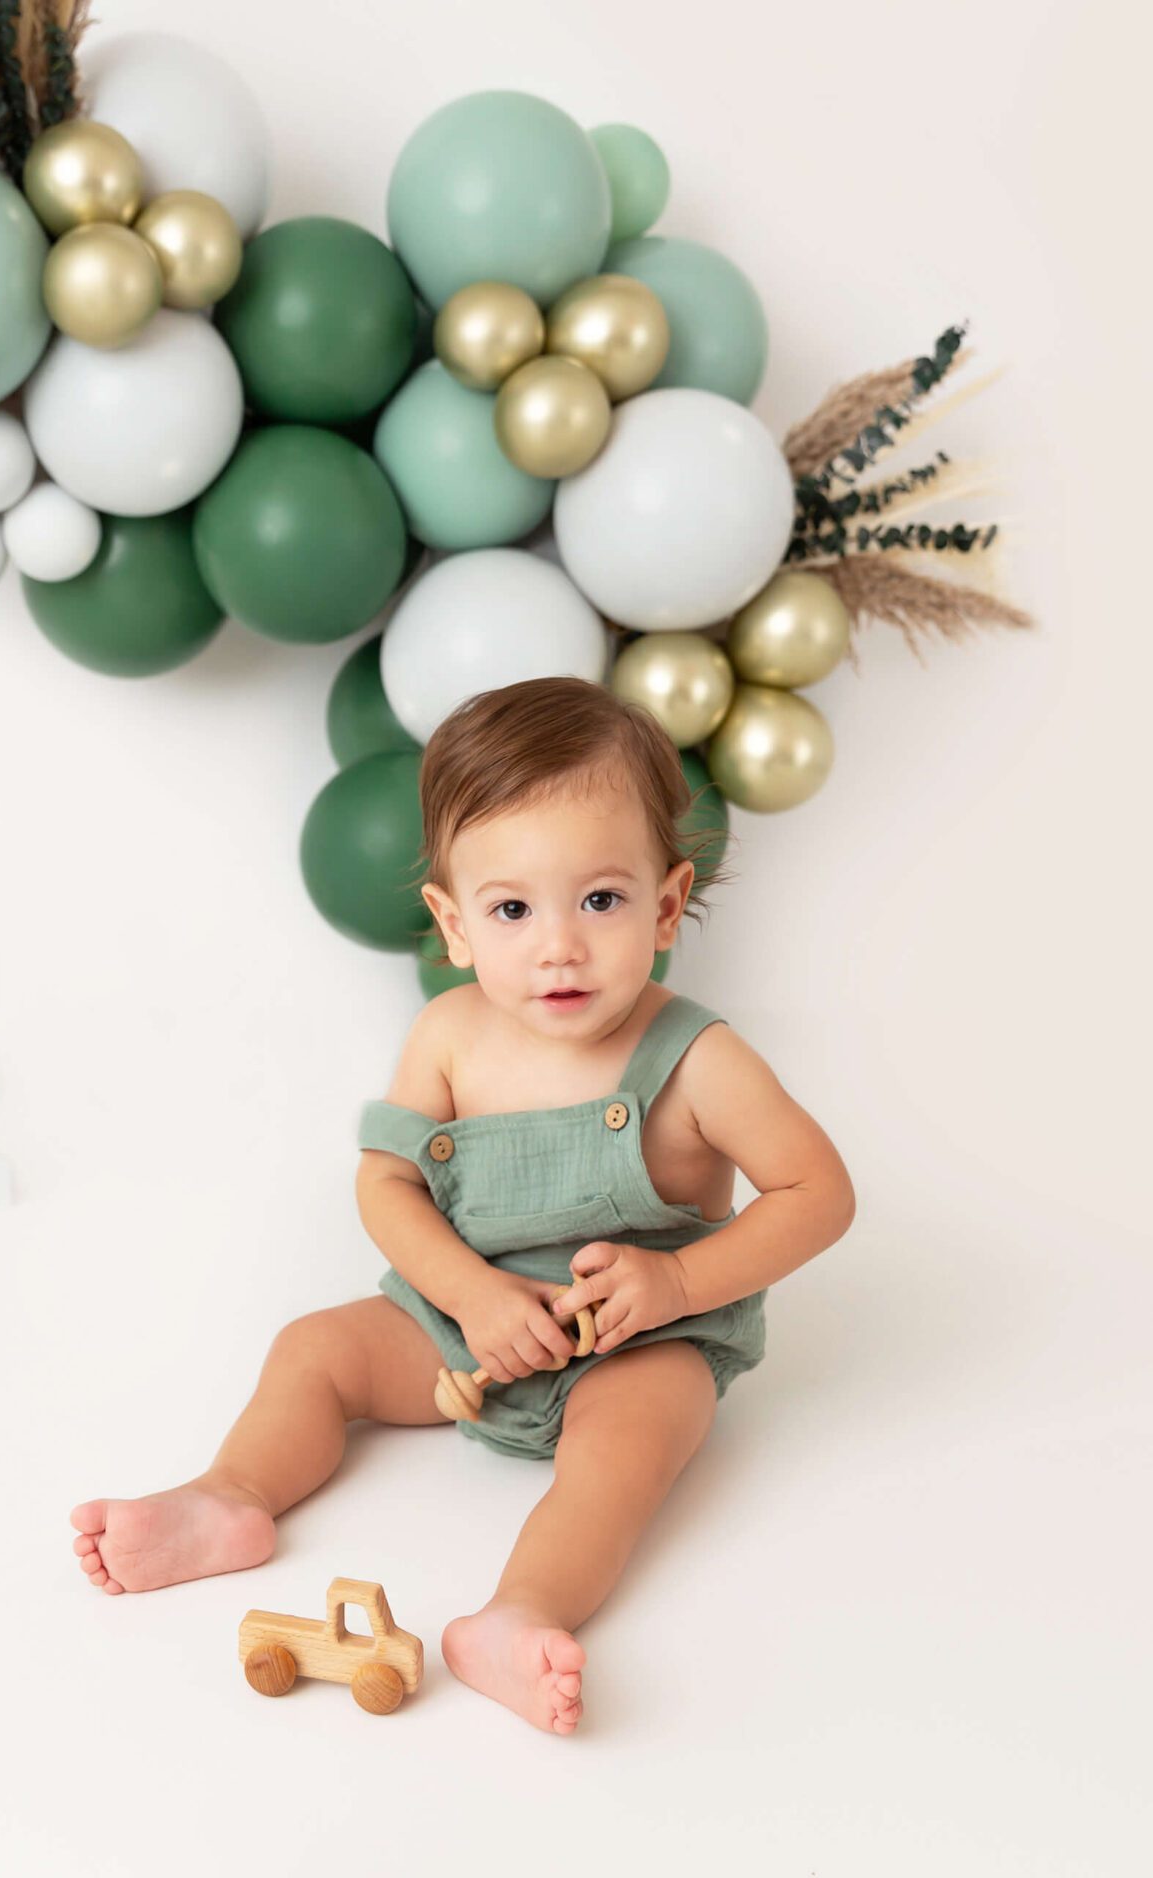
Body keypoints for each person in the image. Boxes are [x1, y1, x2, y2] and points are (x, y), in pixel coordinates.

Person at [68, 674, 855, 1734]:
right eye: (513, 909)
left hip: (635, 1342)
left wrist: (673, 1281)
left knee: (622, 1455)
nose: (559, 945)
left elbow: (819, 1193)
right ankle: (230, 1498)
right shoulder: (448, 1038)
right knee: (313, 1348)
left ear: (666, 903)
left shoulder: (697, 1061)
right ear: (453, 923)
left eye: (602, 900)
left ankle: (516, 1615)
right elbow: (385, 1183)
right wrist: (469, 1295)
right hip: (463, 1322)